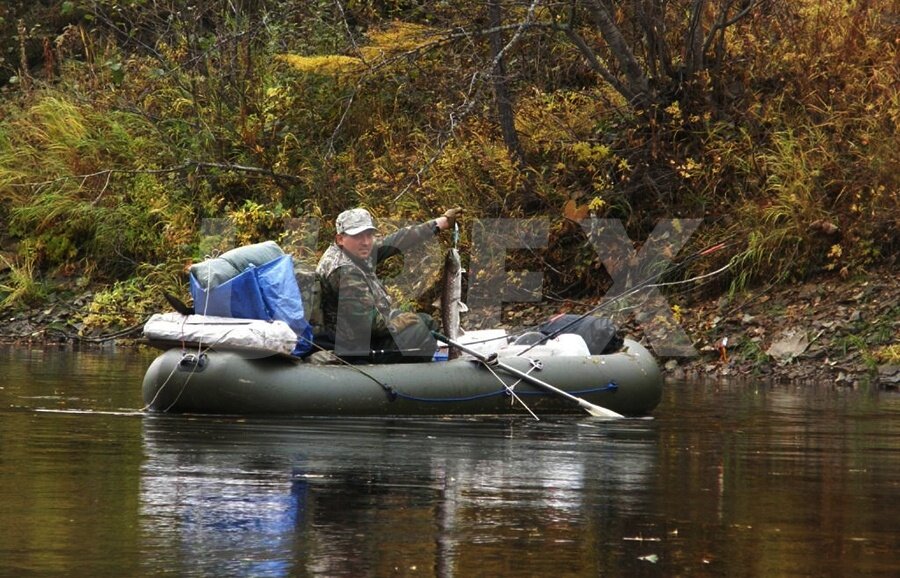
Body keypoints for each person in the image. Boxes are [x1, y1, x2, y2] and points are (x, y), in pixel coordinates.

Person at [315, 207, 462, 363]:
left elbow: (399, 240)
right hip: (354, 345)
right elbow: (367, 324)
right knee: (420, 331)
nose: (365, 241)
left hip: (365, 331)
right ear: (340, 239)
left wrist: (442, 223)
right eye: (358, 236)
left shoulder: (355, 249)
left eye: (368, 235)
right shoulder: (344, 271)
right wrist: (397, 322)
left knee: (427, 322)